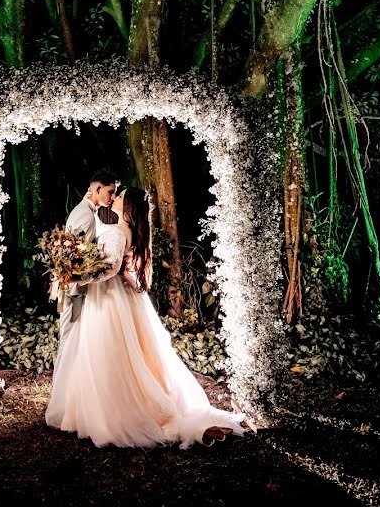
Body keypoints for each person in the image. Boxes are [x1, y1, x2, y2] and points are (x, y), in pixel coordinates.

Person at [46, 186, 248, 449]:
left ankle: (115, 414)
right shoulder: (123, 229)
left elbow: (109, 269)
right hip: (118, 296)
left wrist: (76, 276)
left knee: (107, 354)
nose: (114, 198)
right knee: (118, 354)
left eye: (118, 197)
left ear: (127, 206)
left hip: (109, 299)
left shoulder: (118, 232)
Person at [55, 169, 119, 366]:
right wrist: (76, 280)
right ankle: (63, 386)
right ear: (98, 189)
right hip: (76, 289)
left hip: (77, 286)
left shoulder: (87, 211)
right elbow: (71, 255)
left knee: (73, 337)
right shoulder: (85, 215)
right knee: (70, 336)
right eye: (111, 191)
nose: (113, 197)